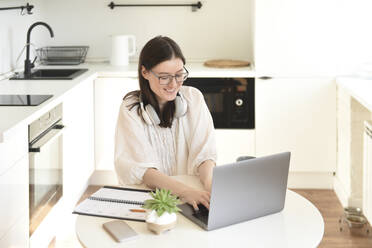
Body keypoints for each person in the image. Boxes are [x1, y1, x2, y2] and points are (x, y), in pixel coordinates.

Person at [114, 36, 217, 210]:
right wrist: (185, 192)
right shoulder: (130, 109)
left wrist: (210, 185)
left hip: (193, 195)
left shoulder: (194, 98)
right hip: (150, 200)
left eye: (179, 75)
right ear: (145, 72)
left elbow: (205, 154)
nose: (173, 84)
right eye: (164, 77)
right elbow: (143, 171)